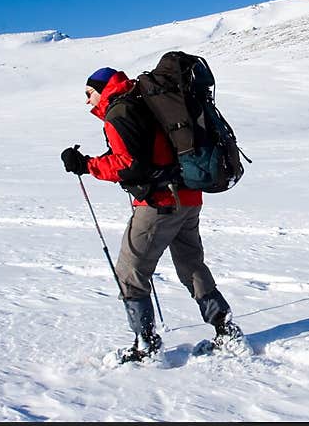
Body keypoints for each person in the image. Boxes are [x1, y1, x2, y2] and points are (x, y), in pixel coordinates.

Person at [61, 67, 249, 362]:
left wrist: (87, 165)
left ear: (102, 88)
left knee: (130, 272)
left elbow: (129, 164)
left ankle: (145, 343)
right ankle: (224, 328)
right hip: (189, 196)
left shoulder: (120, 111)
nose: (87, 101)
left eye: (88, 93)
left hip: (160, 203)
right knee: (192, 265)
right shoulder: (144, 100)